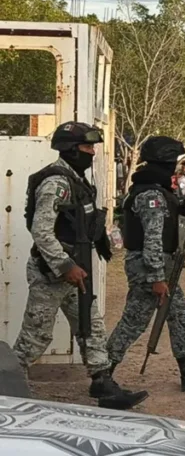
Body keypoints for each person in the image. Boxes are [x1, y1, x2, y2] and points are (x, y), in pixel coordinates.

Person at [13, 122, 148, 410]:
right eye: (87, 147)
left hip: (75, 271)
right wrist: (65, 266)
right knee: (36, 336)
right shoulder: (56, 183)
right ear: (71, 149)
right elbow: (41, 231)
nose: (92, 153)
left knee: (91, 326)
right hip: (52, 273)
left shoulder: (77, 180)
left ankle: (103, 384)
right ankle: (6, 383)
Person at [108, 136, 185, 392]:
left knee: (179, 314)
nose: (175, 167)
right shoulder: (151, 195)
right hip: (149, 268)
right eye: (172, 161)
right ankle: (103, 374)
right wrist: (157, 278)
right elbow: (152, 240)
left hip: (163, 266)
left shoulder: (158, 191)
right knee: (134, 322)